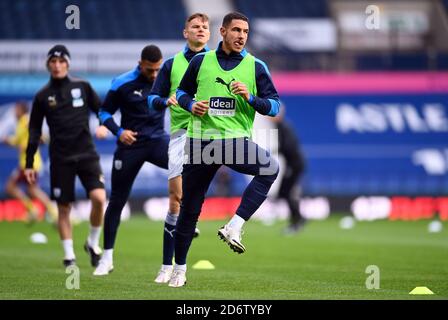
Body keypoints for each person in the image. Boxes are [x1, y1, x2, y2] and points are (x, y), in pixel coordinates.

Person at [170, 12, 281, 287]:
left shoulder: (256, 66)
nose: (241, 36)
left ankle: (234, 226)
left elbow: (275, 106)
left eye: (245, 31)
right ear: (222, 31)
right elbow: (182, 93)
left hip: (232, 142)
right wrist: (190, 105)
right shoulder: (200, 61)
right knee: (189, 209)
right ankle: (179, 270)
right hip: (200, 143)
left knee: (270, 168)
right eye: (236, 30)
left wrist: (251, 97)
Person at [25, 45, 106, 268]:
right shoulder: (42, 96)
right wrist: (30, 162)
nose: (57, 65)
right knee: (64, 208)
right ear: (48, 65)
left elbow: (102, 110)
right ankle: (69, 256)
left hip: (87, 154)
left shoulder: (82, 86)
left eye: (61, 62)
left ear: (68, 64)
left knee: (99, 199)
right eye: (53, 62)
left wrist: (104, 126)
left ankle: (92, 242)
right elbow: (34, 130)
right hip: (61, 158)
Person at [93, 45, 169, 276]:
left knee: (188, 166)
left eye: (157, 69)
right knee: (116, 200)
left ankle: (187, 217)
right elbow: (104, 113)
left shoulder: (166, 78)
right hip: (130, 145)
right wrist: (119, 132)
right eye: (150, 70)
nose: (154, 75)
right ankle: (106, 258)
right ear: (140, 63)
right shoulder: (122, 82)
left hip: (157, 141)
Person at [147, 13, 210, 283]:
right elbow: (152, 99)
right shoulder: (172, 64)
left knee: (190, 200)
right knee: (176, 199)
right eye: (195, 26)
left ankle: (180, 266)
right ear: (185, 32)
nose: (200, 30)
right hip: (181, 133)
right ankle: (166, 265)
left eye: (205, 27)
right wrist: (166, 102)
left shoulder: (217, 62)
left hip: (211, 135)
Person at [2, 101, 57, 223]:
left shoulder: (26, 121)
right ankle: (46, 211)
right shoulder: (21, 123)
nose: (14, 112)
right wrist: (8, 141)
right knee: (31, 190)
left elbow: (40, 137)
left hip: (30, 163)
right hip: (26, 163)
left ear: (21, 110)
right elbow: (18, 141)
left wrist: (31, 144)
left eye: (16, 110)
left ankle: (38, 210)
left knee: (11, 187)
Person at [271, 104, 307, 234]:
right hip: (293, 164)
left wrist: (275, 151)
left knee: (286, 191)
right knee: (285, 192)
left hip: (294, 165)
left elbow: (289, 147)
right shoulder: (283, 126)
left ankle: (297, 221)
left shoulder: (283, 127)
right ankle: (298, 218)